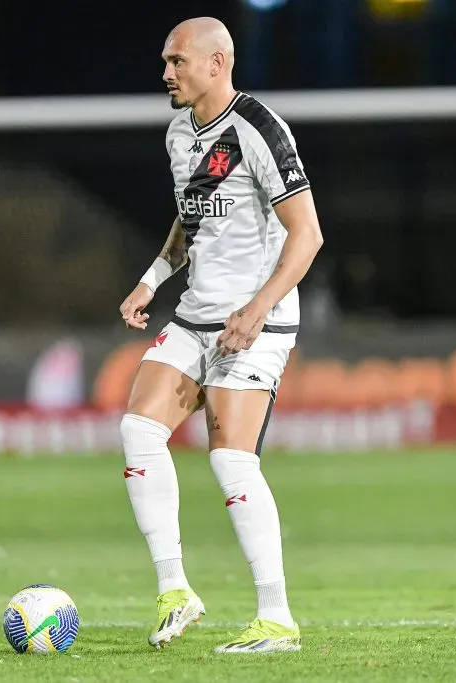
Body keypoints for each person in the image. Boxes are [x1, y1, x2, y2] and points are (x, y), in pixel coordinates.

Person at [118, 17, 324, 654]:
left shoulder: (258, 127)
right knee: (138, 429)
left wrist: (259, 308)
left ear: (217, 63)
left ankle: (276, 618)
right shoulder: (181, 132)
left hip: (253, 323)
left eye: (177, 60)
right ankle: (177, 592)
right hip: (196, 313)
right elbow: (190, 220)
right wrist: (153, 278)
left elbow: (307, 233)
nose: (166, 73)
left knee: (231, 458)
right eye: (165, 60)